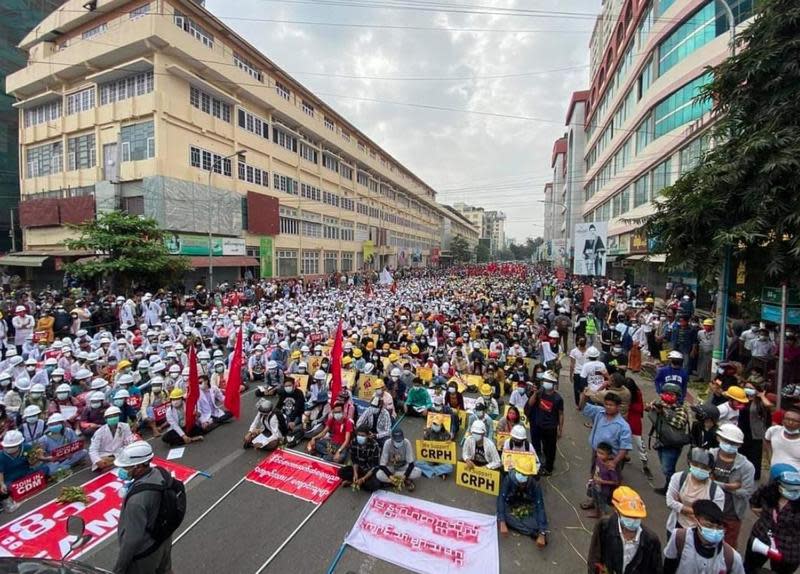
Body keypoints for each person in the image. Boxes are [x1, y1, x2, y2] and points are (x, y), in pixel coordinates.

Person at [113, 441, 179, 574]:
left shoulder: (136, 501)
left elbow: (132, 540)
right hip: (163, 540)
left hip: (145, 552)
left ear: (138, 466)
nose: (122, 471)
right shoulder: (160, 473)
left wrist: (119, 568)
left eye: (126, 467)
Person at [588, 486, 664, 574]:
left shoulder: (651, 540)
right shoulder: (604, 526)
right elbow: (594, 558)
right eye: (628, 516)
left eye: (637, 516)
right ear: (616, 511)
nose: (633, 520)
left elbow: (656, 570)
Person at [744, 464, 800, 574]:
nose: (793, 492)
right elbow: (753, 503)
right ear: (777, 485)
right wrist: (766, 517)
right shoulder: (766, 492)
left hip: (789, 549)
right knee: (750, 568)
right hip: (760, 539)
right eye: (788, 487)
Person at [663, 499, 744, 574]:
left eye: (719, 527)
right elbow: (669, 566)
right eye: (709, 525)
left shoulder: (732, 557)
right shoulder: (679, 537)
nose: (714, 530)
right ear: (697, 521)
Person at [709, 423, 755, 548]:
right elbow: (702, 480)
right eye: (726, 441)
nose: (729, 445)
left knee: (728, 546)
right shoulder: (709, 456)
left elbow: (746, 492)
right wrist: (731, 486)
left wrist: (716, 483)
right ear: (718, 438)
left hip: (732, 513)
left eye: (734, 443)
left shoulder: (746, 466)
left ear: (740, 445)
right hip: (709, 509)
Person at [665, 448, 725, 537]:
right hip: (676, 527)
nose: (699, 469)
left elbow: (714, 518)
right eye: (696, 465)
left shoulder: (716, 492)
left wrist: (681, 507)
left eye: (704, 467)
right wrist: (700, 513)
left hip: (700, 534)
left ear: (710, 470)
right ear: (690, 463)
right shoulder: (678, 478)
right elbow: (670, 502)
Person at [496, 454, 549, 548]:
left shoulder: (534, 484)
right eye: (520, 473)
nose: (522, 477)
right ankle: (531, 532)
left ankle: (534, 531)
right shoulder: (509, 479)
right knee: (503, 516)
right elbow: (501, 498)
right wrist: (502, 521)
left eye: (525, 475)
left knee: (536, 524)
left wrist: (542, 532)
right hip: (511, 504)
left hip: (527, 505)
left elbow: (540, 506)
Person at [650, 383, 691, 495]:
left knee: (667, 469)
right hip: (662, 441)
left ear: (677, 396)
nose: (667, 396)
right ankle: (669, 487)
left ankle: (673, 488)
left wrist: (664, 413)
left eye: (671, 394)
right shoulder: (660, 404)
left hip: (673, 444)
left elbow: (678, 423)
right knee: (665, 467)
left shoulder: (681, 409)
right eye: (665, 393)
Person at [0, 430, 50, 513]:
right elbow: (0, 472)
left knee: (45, 469)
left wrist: (44, 458)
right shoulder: (1, 455)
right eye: (7, 447)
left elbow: (33, 462)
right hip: (10, 479)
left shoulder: (27, 448)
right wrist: (2, 484)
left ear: (19, 444)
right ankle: (8, 500)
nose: (9, 449)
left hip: (26, 473)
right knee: (4, 489)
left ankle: (34, 483)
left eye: (12, 446)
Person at [527, 370, 564, 476]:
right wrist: (535, 392)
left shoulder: (558, 399)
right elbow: (530, 403)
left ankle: (548, 468)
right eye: (544, 380)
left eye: (548, 381)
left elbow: (561, 414)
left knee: (550, 450)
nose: (545, 382)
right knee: (536, 446)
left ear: (553, 384)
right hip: (537, 425)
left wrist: (560, 429)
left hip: (550, 428)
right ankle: (537, 464)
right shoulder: (540, 393)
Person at [88, 406, 135, 471]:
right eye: (110, 417)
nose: (113, 418)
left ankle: (113, 465)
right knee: (104, 461)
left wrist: (126, 451)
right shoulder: (99, 432)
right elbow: (93, 450)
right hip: (106, 455)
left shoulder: (125, 426)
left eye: (115, 415)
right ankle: (118, 464)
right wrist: (97, 461)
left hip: (119, 452)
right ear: (106, 419)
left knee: (133, 451)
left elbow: (129, 442)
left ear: (119, 416)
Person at [339, 425, 382, 491]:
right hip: (359, 468)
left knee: (374, 485)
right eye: (358, 435)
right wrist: (355, 473)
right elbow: (354, 459)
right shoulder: (354, 441)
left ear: (368, 435)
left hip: (368, 471)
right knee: (341, 472)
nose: (360, 437)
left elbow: (375, 466)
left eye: (362, 435)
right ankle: (356, 481)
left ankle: (353, 482)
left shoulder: (374, 445)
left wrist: (363, 479)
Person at [587, 442, 620, 519]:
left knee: (602, 504)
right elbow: (596, 470)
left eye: (602, 454)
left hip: (603, 490)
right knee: (595, 500)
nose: (599, 455)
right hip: (595, 485)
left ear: (608, 455)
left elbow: (616, 482)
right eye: (598, 452)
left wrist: (603, 481)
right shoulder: (598, 460)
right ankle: (596, 513)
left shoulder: (610, 467)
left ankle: (603, 518)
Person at [570, 337, 589, 406]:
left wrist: (570, 375)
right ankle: (582, 403)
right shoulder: (588, 351)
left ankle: (578, 403)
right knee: (583, 389)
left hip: (579, 373)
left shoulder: (574, 351)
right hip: (583, 373)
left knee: (577, 389)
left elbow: (572, 364)